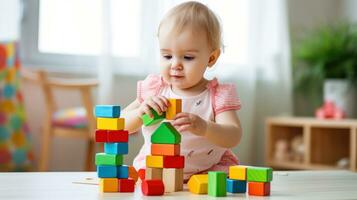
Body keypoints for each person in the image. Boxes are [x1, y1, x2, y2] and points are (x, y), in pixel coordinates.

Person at [122, 1, 242, 180]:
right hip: (158, 170)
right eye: (167, 56)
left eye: (187, 57)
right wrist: (140, 113)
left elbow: (233, 135)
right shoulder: (155, 89)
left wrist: (205, 128)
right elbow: (119, 124)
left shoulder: (217, 95)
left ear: (211, 58)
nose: (175, 64)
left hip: (207, 173)